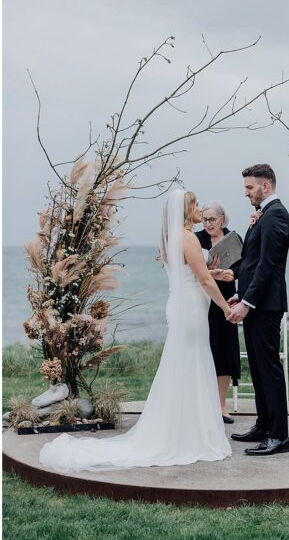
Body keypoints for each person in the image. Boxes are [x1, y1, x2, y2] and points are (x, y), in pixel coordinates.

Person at [38, 189, 234, 474]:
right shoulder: (189, 237)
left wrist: (214, 273)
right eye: (195, 204)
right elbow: (201, 279)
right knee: (191, 363)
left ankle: (183, 428)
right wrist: (226, 308)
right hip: (191, 309)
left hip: (181, 305)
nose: (199, 208)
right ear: (185, 210)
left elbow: (191, 273)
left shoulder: (171, 238)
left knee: (184, 364)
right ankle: (189, 433)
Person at [227, 164, 289, 456]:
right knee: (257, 369)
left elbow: (268, 266)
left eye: (249, 187)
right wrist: (238, 291)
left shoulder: (276, 215)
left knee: (269, 371)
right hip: (256, 303)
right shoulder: (264, 215)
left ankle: (279, 437)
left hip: (266, 306)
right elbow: (252, 263)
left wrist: (247, 303)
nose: (246, 193)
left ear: (266, 186)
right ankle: (264, 425)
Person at [196, 200, 243, 421]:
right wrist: (210, 270)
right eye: (204, 219)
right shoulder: (197, 239)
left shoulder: (233, 238)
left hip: (226, 300)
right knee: (202, 350)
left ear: (222, 219)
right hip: (202, 299)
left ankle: (221, 406)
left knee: (224, 351)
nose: (207, 224)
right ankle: (201, 405)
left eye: (212, 219)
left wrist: (232, 273)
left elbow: (246, 265)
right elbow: (191, 269)